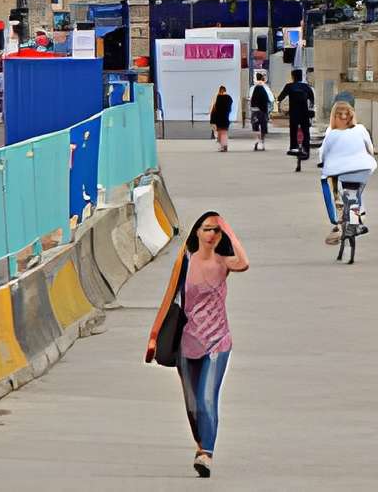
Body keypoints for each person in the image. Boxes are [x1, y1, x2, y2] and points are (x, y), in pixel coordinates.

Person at [146, 208, 250, 477]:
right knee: (192, 405)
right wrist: (154, 336)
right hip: (186, 341)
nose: (212, 234)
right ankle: (201, 446)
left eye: (216, 230)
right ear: (196, 233)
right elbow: (169, 297)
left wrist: (229, 230)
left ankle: (207, 454)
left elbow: (244, 263)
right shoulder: (186, 258)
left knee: (206, 398)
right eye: (207, 228)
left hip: (217, 342)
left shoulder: (224, 260)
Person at [316, 97, 377, 243]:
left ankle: (342, 222)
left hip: (339, 169)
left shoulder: (332, 132)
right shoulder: (361, 129)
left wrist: (322, 163)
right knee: (354, 193)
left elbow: (323, 152)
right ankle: (356, 221)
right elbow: (370, 149)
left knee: (339, 191)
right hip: (361, 168)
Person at [280, 67, 315, 169]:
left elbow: (281, 97)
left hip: (294, 113)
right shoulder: (306, 87)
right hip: (304, 113)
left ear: (292, 77)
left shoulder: (289, 86)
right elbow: (312, 100)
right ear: (301, 77)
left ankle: (293, 147)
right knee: (306, 131)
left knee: (293, 130)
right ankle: (306, 150)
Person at [248, 75, 272, 150]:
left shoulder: (252, 88)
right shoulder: (265, 88)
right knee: (263, 127)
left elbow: (250, 99)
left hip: (255, 111)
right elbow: (270, 100)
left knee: (255, 127)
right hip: (263, 112)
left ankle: (257, 139)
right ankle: (262, 143)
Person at [208, 84, 233, 155]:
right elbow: (230, 107)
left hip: (218, 118)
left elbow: (214, 109)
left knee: (220, 132)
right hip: (225, 117)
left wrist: (212, 120)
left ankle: (222, 146)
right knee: (224, 132)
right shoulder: (228, 98)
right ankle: (224, 146)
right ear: (225, 90)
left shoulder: (217, 97)